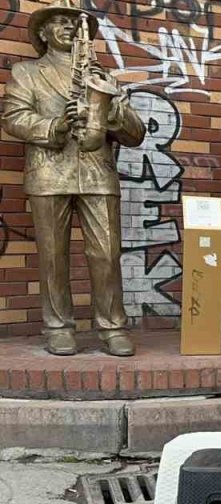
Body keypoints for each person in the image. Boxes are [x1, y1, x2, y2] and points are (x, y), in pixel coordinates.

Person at [1, 0, 145, 357]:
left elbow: (136, 133)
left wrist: (110, 113)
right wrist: (55, 125)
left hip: (98, 174)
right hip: (49, 173)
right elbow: (13, 118)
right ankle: (58, 326)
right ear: (44, 34)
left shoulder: (104, 76)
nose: (67, 27)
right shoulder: (26, 72)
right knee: (53, 256)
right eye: (59, 22)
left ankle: (112, 327)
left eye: (73, 23)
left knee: (107, 255)